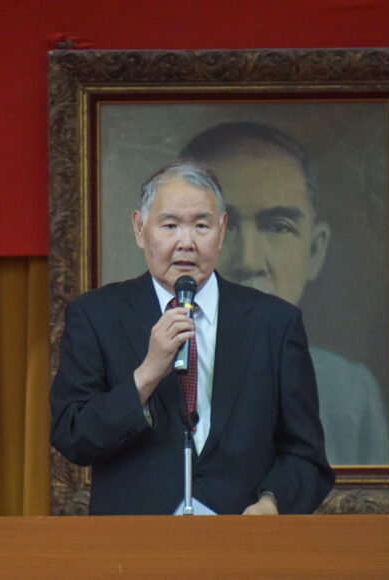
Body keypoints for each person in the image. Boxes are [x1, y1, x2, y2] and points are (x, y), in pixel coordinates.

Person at [50, 160, 334, 515]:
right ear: (140, 229)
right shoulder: (96, 316)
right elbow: (73, 437)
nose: (186, 243)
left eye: (201, 225)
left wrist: (270, 504)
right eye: (170, 225)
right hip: (134, 540)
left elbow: (305, 455)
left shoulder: (274, 323)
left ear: (222, 230)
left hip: (242, 539)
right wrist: (147, 374)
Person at [180, 121, 389, 466]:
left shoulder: (351, 395)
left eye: (277, 227)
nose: (248, 261)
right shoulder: (139, 376)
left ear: (315, 251)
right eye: (218, 227)